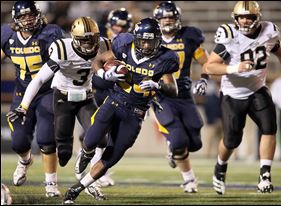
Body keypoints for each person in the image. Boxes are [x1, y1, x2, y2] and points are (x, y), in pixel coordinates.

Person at [63, 17, 179, 204]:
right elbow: (98, 61)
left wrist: (158, 86)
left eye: (151, 40)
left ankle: (77, 188)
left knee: (112, 157)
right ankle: (85, 153)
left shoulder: (166, 59)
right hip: (115, 101)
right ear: (136, 38)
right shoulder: (124, 44)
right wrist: (105, 74)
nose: (147, 45)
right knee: (91, 139)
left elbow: (174, 90)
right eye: (143, 40)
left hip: (136, 114)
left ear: (158, 39)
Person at [8, 16, 112, 200]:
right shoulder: (63, 49)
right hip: (63, 98)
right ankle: (74, 157)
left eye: (92, 39)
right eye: (84, 40)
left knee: (101, 138)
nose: (89, 44)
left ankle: (89, 179)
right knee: (63, 152)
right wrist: (24, 106)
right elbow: (39, 79)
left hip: (86, 98)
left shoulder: (104, 45)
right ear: (74, 38)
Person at [205, 1, 281, 195]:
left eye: (249, 17)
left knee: (270, 127)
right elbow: (209, 66)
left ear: (258, 18)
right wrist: (234, 68)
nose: (245, 21)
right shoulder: (229, 36)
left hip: (258, 89)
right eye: (241, 17)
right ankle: (220, 166)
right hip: (233, 95)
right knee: (232, 141)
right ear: (235, 18)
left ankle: (265, 173)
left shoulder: (269, 31)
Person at [2, 1, 64, 197]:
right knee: (18, 142)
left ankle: (51, 184)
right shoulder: (7, 35)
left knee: (46, 139)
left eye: (31, 15)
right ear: (16, 19)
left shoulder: (50, 33)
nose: (27, 19)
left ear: (38, 15)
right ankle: (25, 160)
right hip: (21, 92)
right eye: (23, 16)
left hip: (47, 91)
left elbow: (62, 61)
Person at [152, 1, 209, 193]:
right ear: (157, 20)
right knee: (178, 141)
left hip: (184, 94)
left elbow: (206, 62)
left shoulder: (189, 36)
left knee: (195, 141)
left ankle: (175, 148)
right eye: (164, 17)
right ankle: (189, 179)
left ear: (177, 18)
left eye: (171, 17)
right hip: (162, 95)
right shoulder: (150, 38)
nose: (167, 21)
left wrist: (204, 79)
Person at [78, 8, 134, 188]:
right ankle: (85, 155)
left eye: (122, 26)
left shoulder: (130, 42)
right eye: (115, 25)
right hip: (98, 87)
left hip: (118, 90)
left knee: (108, 132)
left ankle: (99, 170)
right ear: (109, 25)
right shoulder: (101, 41)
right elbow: (94, 62)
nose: (118, 29)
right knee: (96, 128)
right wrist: (102, 73)